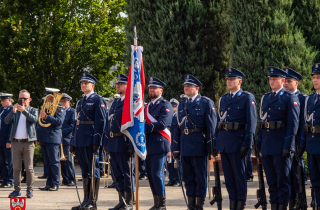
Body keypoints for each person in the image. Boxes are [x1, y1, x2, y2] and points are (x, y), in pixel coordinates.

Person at [257, 66, 299, 210]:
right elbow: (262, 122)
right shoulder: (266, 97)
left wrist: (288, 145)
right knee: (272, 182)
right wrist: (259, 141)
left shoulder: (289, 97)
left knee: (282, 182)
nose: (271, 81)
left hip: (281, 146)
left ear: (282, 80)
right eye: (270, 79)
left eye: (274, 79)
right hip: (268, 146)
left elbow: (293, 124)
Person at [214, 68, 257, 210]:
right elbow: (219, 122)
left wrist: (247, 143)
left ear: (240, 81)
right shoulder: (224, 98)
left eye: (232, 79)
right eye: (227, 79)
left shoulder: (246, 97)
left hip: (238, 143)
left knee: (239, 177)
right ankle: (232, 203)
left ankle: (240, 204)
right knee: (229, 178)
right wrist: (216, 141)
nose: (229, 81)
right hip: (225, 143)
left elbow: (251, 122)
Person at [172, 74, 217, 210]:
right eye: (185, 86)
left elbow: (211, 125)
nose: (186, 88)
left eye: (189, 86)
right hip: (185, 144)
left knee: (200, 176)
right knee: (188, 177)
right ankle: (190, 204)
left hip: (199, 144)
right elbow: (176, 127)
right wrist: (176, 148)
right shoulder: (181, 105)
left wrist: (211, 144)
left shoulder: (205, 102)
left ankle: (199, 204)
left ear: (196, 88)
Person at [70, 73, 106, 210]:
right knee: (85, 171)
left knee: (93, 170)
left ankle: (93, 201)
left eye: (86, 83)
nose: (83, 85)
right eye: (82, 83)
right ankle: (85, 200)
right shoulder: (80, 101)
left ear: (93, 85)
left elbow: (101, 121)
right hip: (80, 140)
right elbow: (76, 122)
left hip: (91, 139)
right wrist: (73, 142)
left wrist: (97, 141)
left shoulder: (98, 100)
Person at [103, 73, 135, 210]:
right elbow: (108, 122)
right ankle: (121, 201)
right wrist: (106, 141)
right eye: (117, 84)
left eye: (121, 84)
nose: (117, 86)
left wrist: (132, 144)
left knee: (127, 174)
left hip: (124, 142)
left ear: (128, 86)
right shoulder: (116, 102)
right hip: (113, 142)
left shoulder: (131, 101)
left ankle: (129, 202)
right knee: (116, 174)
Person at [144, 77, 173, 210]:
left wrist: (144, 127)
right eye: (150, 88)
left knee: (157, 174)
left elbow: (162, 124)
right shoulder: (146, 107)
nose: (151, 90)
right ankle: (156, 203)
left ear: (161, 91)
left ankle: (162, 204)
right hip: (148, 145)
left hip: (160, 144)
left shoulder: (165, 105)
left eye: (154, 88)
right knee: (150, 176)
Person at [5, 89, 38, 198]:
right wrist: (12, 111)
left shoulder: (33, 109)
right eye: (20, 98)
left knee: (29, 168)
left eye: (24, 98)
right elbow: (6, 121)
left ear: (29, 99)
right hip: (16, 143)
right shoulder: (15, 111)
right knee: (16, 168)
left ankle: (30, 190)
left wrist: (24, 111)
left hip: (28, 143)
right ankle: (17, 190)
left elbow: (34, 120)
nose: (22, 100)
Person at [283, 67, 307, 209]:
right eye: (284, 81)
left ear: (296, 83)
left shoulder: (303, 99)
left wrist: (301, 141)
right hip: (285, 143)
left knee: (297, 175)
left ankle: (300, 201)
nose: (286, 84)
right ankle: (292, 202)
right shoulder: (283, 98)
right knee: (288, 176)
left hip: (297, 142)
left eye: (289, 81)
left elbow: (304, 122)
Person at [298, 63, 320, 210]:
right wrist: (301, 145)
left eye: (318, 77)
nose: (315, 80)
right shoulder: (309, 99)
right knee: (316, 183)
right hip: (312, 147)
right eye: (314, 77)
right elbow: (305, 125)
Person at [37, 88, 66, 191]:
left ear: (52, 97)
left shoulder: (59, 107)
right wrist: (39, 137)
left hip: (52, 138)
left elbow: (59, 122)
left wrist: (46, 116)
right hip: (44, 138)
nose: (46, 99)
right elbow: (40, 123)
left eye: (48, 97)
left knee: (54, 162)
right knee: (47, 162)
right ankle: (48, 184)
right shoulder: (46, 107)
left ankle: (55, 183)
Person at [60, 94, 76, 186]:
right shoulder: (59, 111)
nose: (62, 103)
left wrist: (61, 132)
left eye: (64, 102)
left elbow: (72, 125)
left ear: (68, 102)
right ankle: (65, 179)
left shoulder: (72, 111)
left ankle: (71, 178)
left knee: (68, 160)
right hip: (60, 138)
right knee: (62, 160)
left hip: (67, 138)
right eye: (61, 101)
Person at [165, 98, 180, 187]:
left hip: (175, 141)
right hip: (168, 140)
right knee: (169, 162)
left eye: (173, 106)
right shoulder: (168, 116)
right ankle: (171, 179)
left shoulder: (178, 116)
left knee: (176, 162)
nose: (172, 108)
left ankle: (178, 179)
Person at [0, 93, 13, 188]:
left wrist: (9, 140)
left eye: (3, 100)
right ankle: (4, 179)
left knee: (10, 161)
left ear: (9, 100)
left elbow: (11, 127)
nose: (1, 102)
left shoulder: (12, 110)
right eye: (1, 100)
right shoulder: (1, 110)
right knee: (1, 161)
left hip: (6, 140)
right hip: (0, 140)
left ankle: (10, 180)